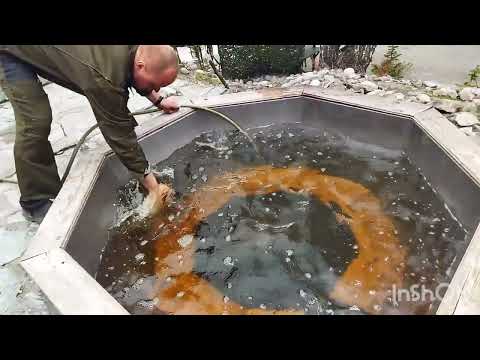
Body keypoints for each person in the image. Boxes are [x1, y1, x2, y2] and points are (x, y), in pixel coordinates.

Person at [0, 45, 180, 223]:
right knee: (35, 120)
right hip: (11, 51)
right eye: (155, 85)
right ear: (141, 65)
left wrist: (158, 99)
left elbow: (141, 75)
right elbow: (119, 135)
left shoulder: (139, 53)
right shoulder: (104, 77)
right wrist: (154, 188)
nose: (156, 88)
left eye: (160, 86)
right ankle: (35, 202)